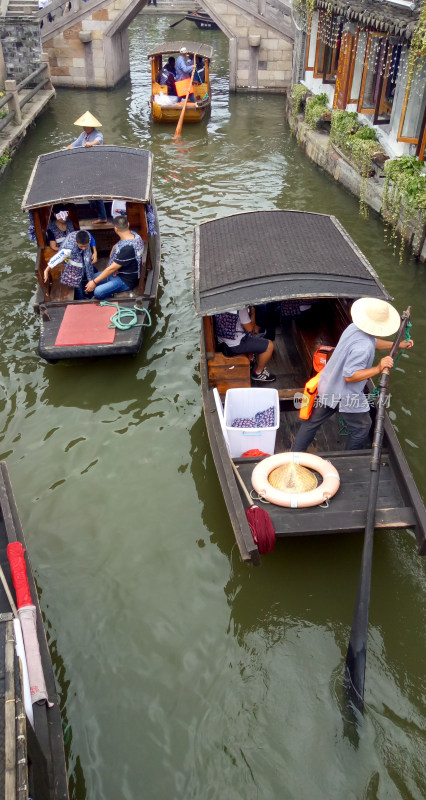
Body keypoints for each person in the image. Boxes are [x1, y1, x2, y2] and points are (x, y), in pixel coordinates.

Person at [292, 297, 414, 452]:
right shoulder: (362, 348)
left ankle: (295, 453)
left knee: (312, 422)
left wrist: (397, 345)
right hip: (346, 395)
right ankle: (349, 460)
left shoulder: (354, 328)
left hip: (328, 385)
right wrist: (378, 368)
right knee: (363, 427)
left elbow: (373, 342)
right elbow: (350, 376)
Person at [85, 215, 143, 299]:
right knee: (90, 277)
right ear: (128, 224)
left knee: (98, 291)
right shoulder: (135, 235)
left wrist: (94, 282)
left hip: (125, 280)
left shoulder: (127, 249)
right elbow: (122, 241)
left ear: (115, 228)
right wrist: (115, 246)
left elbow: (111, 269)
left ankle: (110, 298)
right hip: (117, 273)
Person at [214, 307, 276, 383]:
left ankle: (251, 356)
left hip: (222, 339)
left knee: (256, 336)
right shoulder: (241, 308)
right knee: (269, 345)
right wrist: (253, 313)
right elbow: (250, 328)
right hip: (235, 344)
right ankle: (258, 373)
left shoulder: (218, 304)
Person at [66, 111, 107, 225]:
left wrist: (91, 144)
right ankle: (93, 207)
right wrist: (67, 148)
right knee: (88, 189)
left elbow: (98, 140)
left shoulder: (97, 134)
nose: (84, 127)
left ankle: (103, 217)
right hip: (85, 166)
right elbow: (74, 144)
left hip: (95, 166)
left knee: (96, 191)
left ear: (92, 126)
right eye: (83, 125)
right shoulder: (83, 135)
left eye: (86, 125)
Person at [44, 229, 97, 300]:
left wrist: (95, 252)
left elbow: (92, 239)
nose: (84, 248)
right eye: (81, 246)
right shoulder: (68, 248)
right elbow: (58, 257)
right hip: (70, 261)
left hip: (83, 257)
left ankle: (90, 292)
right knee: (77, 286)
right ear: (76, 242)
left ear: (89, 241)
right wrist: (46, 270)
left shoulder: (87, 234)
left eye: (86, 246)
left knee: (91, 271)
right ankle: (81, 299)